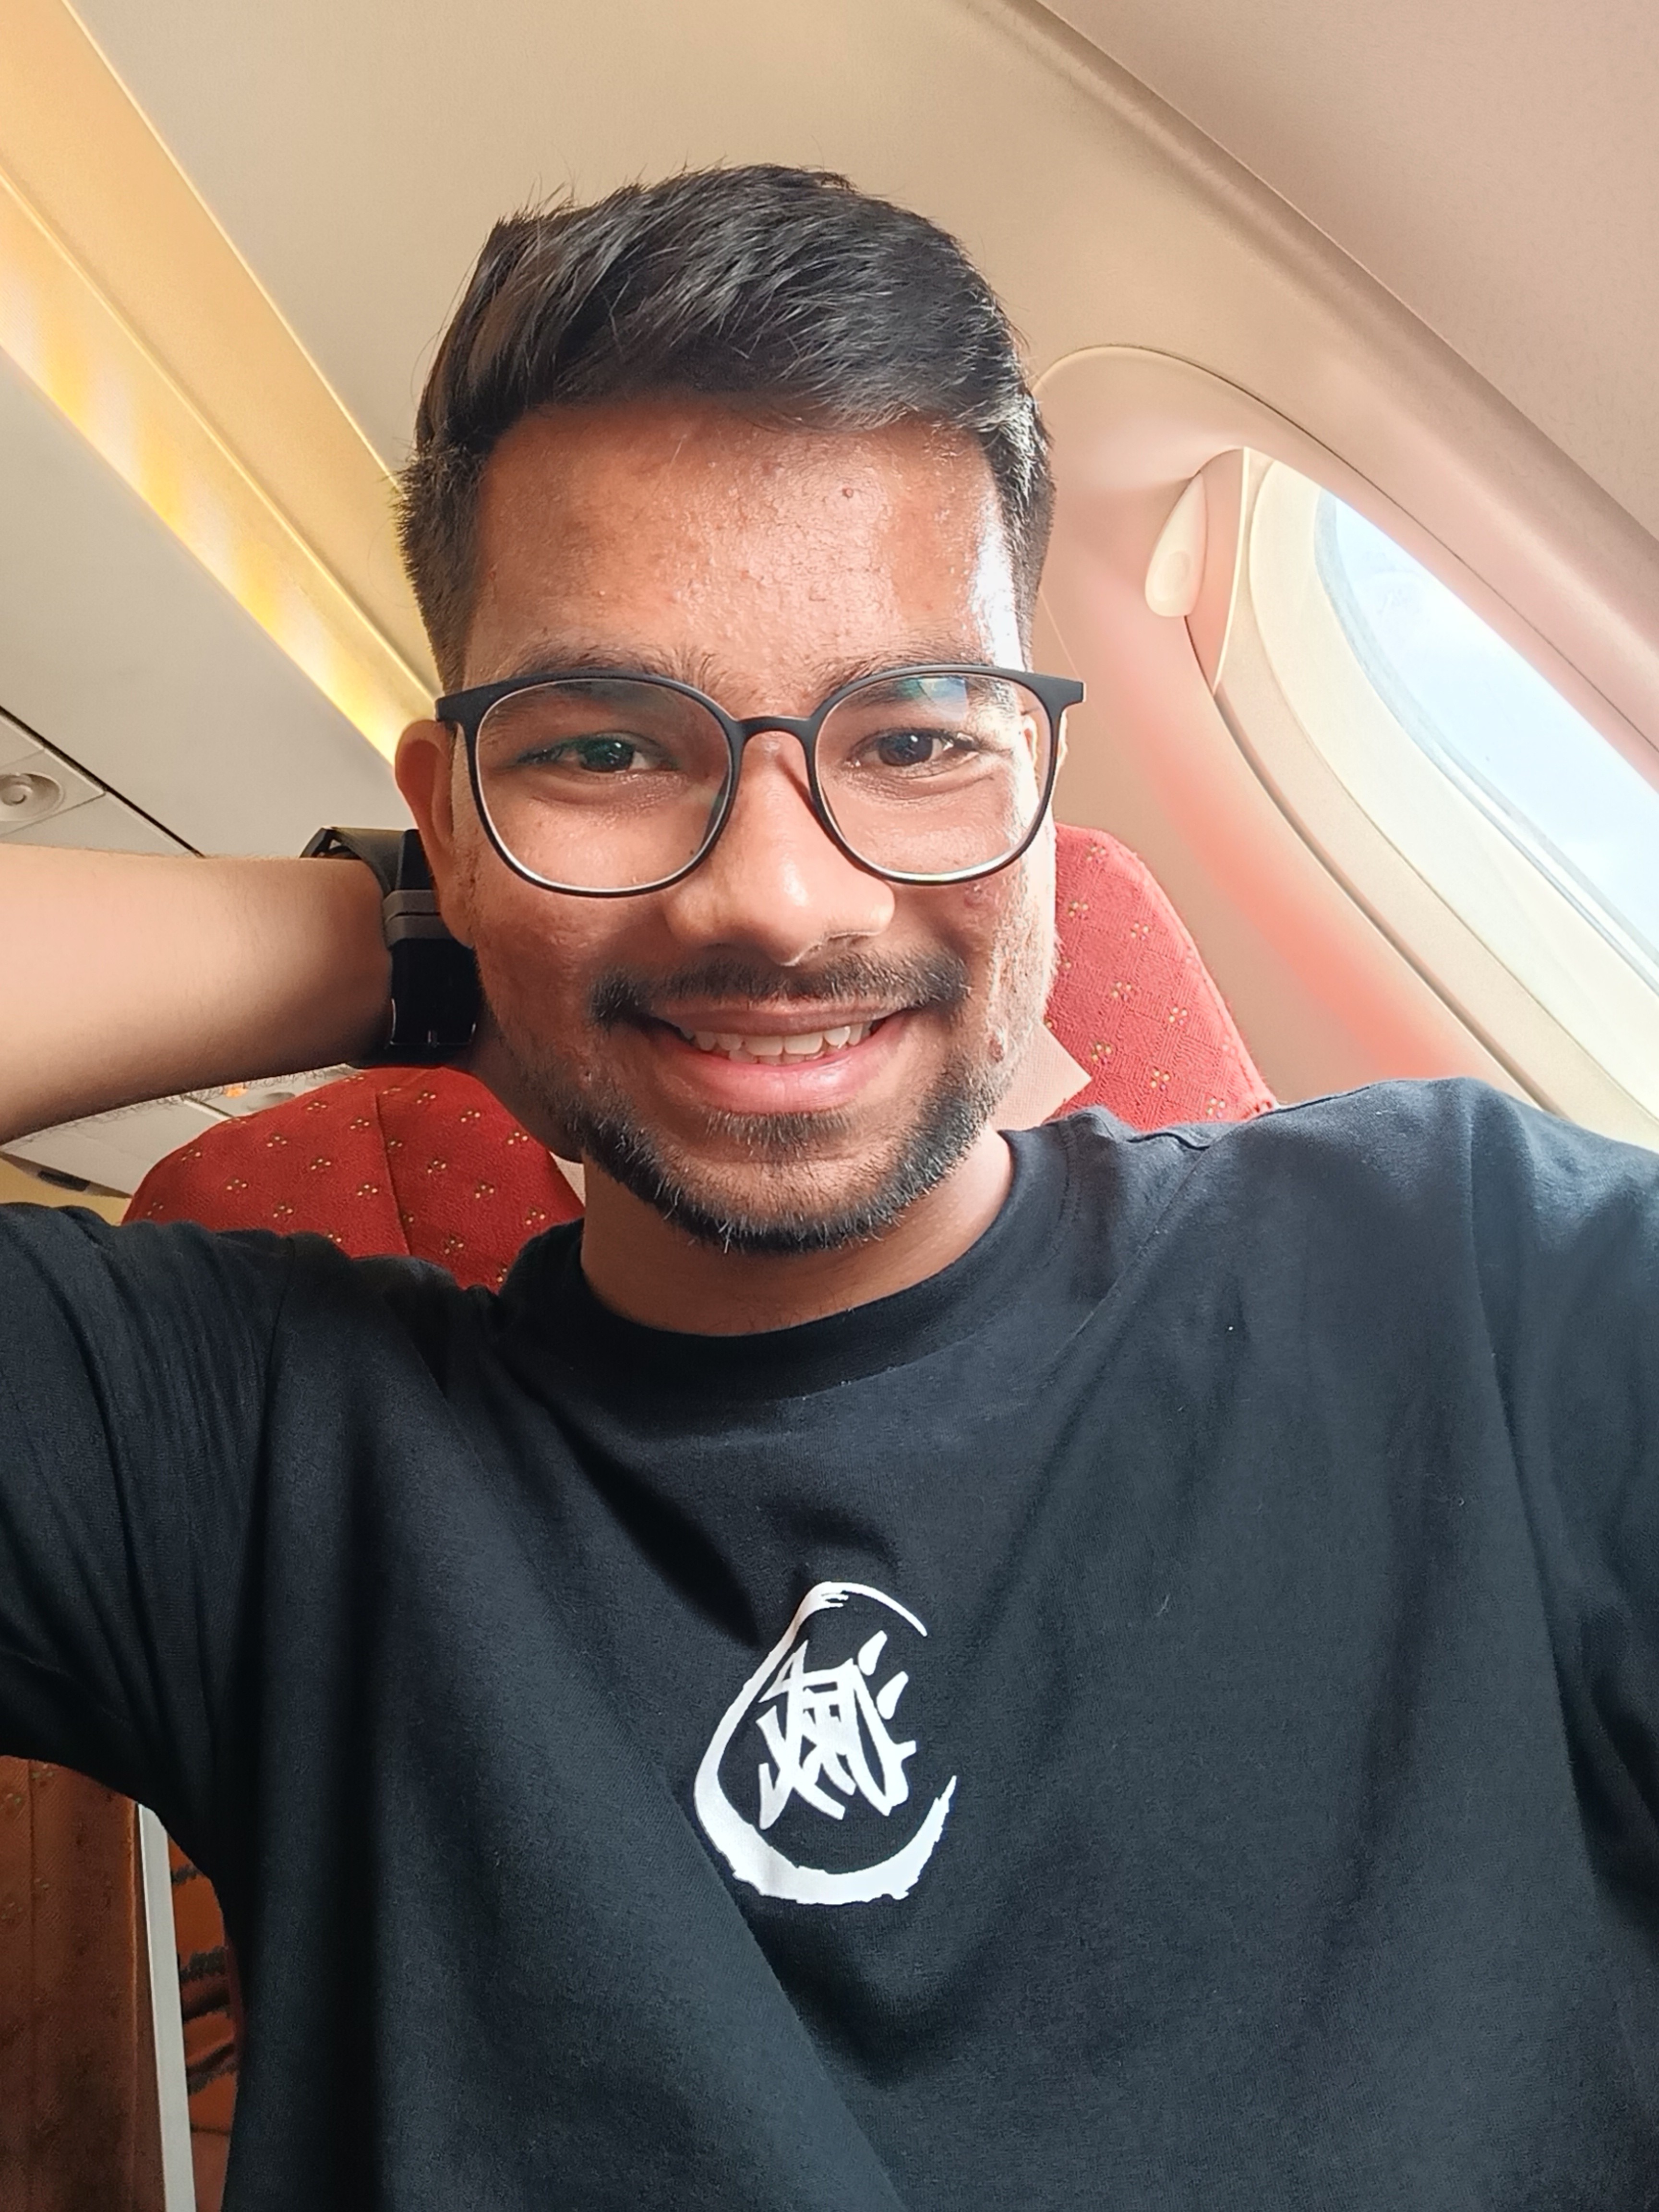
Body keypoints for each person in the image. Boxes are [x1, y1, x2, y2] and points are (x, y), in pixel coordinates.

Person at [0, 164, 1655, 2211]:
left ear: (1040, 783)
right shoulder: (245, 1456)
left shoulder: (1488, 1280)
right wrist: (419, 935)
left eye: (918, 735)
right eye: (606, 750)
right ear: (450, 820)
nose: (778, 901)